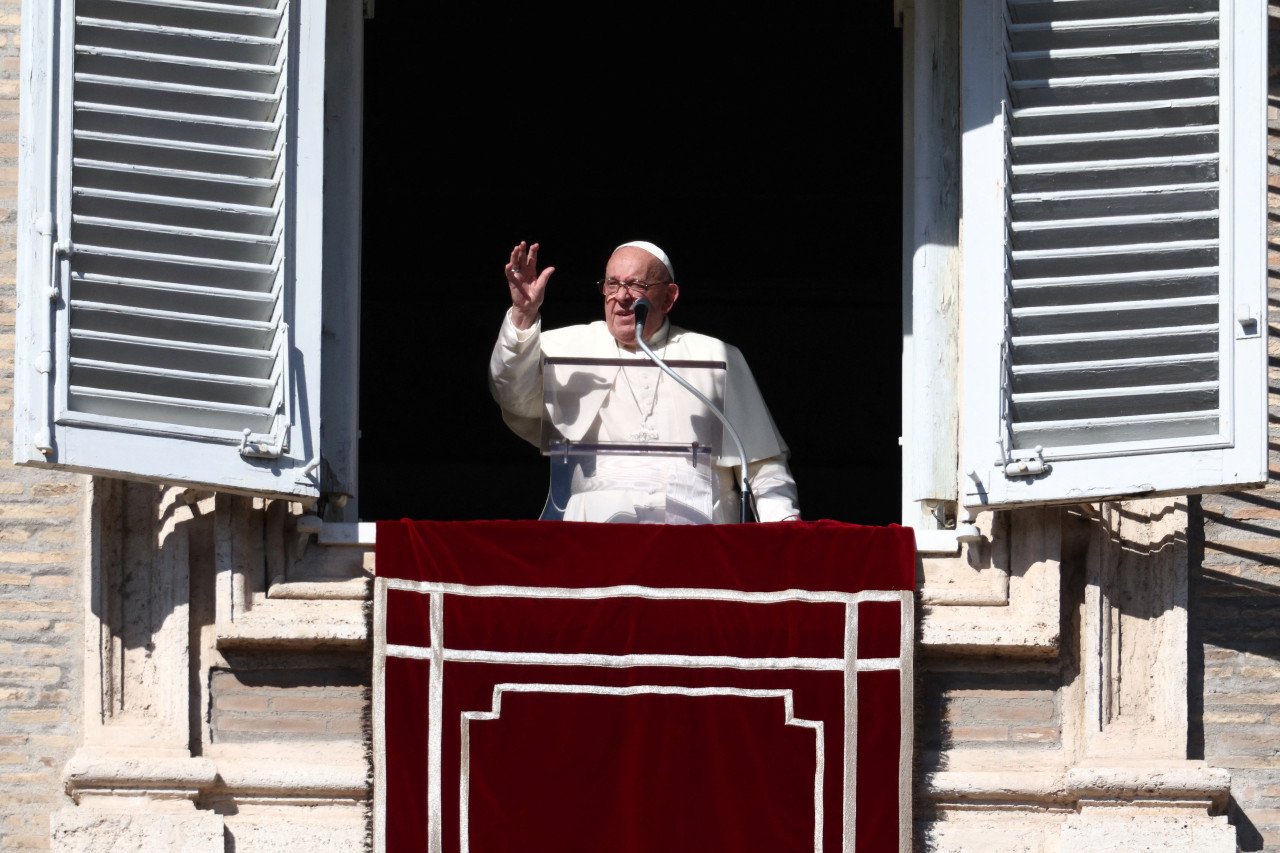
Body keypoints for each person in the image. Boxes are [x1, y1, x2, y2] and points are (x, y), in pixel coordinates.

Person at [489, 239, 800, 523]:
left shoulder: (716, 355)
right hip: (594, 537)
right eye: (612, 284)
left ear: (668, 297)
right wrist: (523, 315)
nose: (622, 297)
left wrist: (784, 529)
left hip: (698, 540)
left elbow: (762, 462)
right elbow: (512, 392)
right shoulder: (568, 347)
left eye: (636, 285)